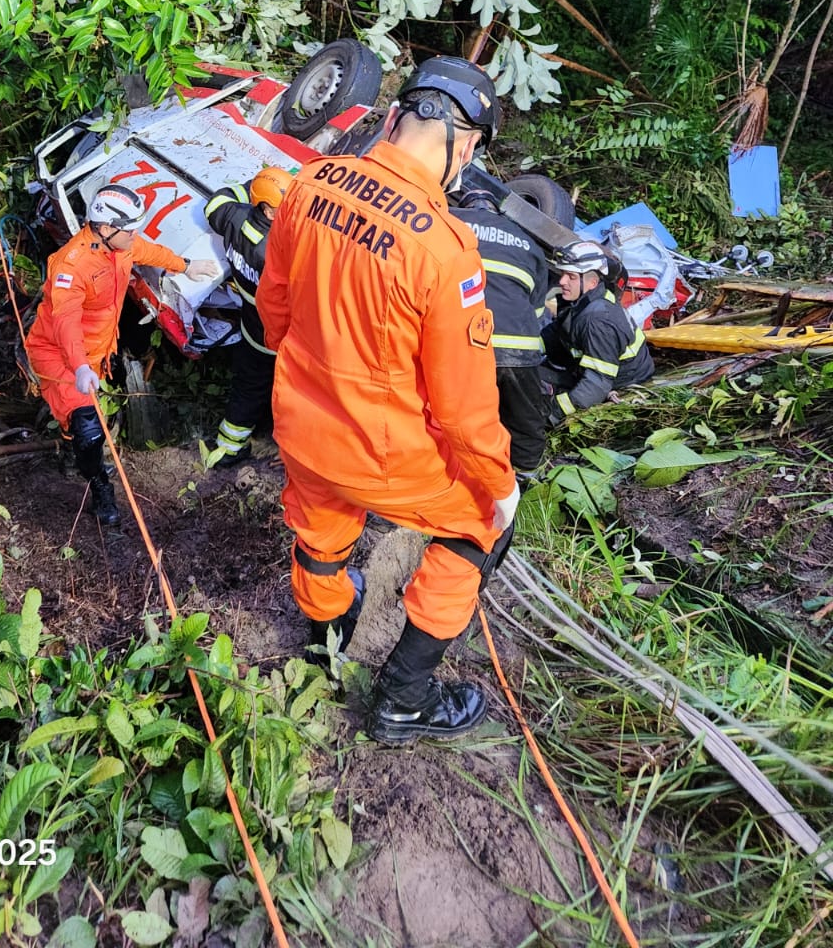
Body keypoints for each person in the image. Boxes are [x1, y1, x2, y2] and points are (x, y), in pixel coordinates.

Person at [257, 56, 519, 745]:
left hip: (303, 426)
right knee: (478, 527)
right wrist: (499, 483)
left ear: (399, 114)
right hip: (383, 452)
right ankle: (404, 699)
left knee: (321, 534)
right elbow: (463, 412)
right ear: (464, 144)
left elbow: (275, 313)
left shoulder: (310, 183)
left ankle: (324, 643)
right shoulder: (445, 247)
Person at [24, 184, 220, 525]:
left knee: (81, 418)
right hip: (60, 354)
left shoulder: (121, 244)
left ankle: (73, 440)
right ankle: (98, 482)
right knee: (88, 428)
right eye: (129, 229)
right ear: (104, 227)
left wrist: (184, 265)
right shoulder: (72, 266)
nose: (135, 235)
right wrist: (80, 366)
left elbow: (148, 251)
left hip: (96, 348)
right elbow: (65, 323)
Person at [450, 185, 553, 482]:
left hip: (464, 344)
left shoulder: (451, 221)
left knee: (449, 414)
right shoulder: (527, 242)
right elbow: (535, 311)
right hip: (518, 349)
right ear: (497, 211)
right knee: (524, 419)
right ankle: (525, 478)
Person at [202, 165, 293, 468]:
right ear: (268, 211)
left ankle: (228, 448)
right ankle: (289, 447)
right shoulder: (276, 252)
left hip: (251, 326)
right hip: (279, 335)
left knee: (248, 385)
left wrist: (256, 186)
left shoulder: (234, 218)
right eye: (285, 207)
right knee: (287, 391)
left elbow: (215, 203)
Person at [542, 239, 654, 417]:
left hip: (619, 384)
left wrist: (551, 415)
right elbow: (557, 333)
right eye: (563, 273)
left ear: (592, 283)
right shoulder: (582, 301)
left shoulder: (597, 320)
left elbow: (597, 383)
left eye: (571, 277)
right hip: (587, 371)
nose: (562, 281)